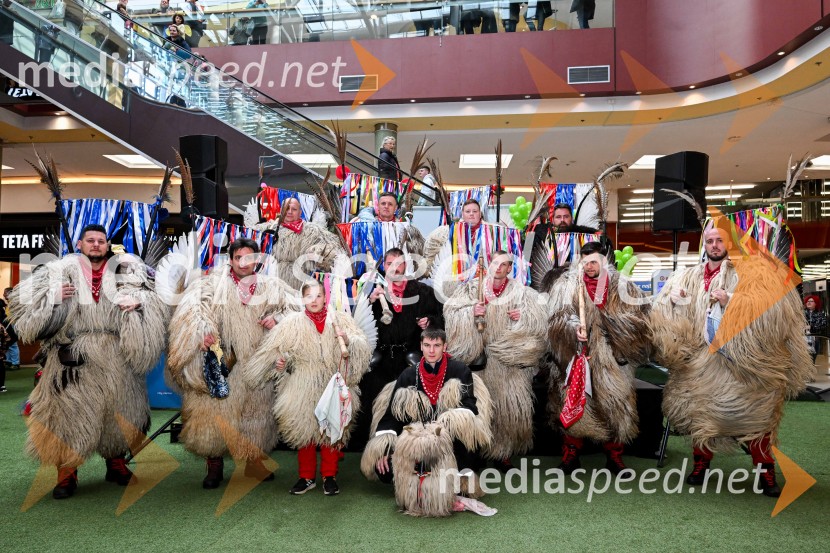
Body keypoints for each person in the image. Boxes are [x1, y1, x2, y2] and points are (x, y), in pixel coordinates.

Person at [651, 224, 813, 497]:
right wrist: (672, 301)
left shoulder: (747, 273)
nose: (714, 245)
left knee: (755, 417)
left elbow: (772, 307)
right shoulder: (687, 277)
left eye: (719, 240)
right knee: (700, 416)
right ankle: (701, 465)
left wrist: (731, 300)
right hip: (700, 363)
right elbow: (660, 309)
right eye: (710, 241)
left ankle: (766, 472)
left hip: (739, 364)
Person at [8, 224, 167, 499]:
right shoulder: (57, 271)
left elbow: (155, 297)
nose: (96, 245)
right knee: (67, 416)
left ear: (108, 246)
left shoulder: (127, 270)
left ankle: (116, 464)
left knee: (120, 412)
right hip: (73, 360)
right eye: (90, 240)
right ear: (80, 244)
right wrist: (52, 298)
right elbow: (22, 305)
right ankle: (66, 474)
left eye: (101, 241)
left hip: (117, 358)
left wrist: (137, 302)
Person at [166, 237, 296, 489]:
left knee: (256, 415)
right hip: (223, 363)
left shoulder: (272, 286)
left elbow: (295, 310)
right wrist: (201, 333)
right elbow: (193, 311)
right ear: (231, 259)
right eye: (238, 258)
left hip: (258, 367)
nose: (243, 263)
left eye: (249, 258)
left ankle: (253, 461)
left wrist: (278, 318)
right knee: (213, 415)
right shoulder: (211, 284)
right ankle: (214, 464)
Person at [243, 281, 370, 495]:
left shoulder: (340, 320)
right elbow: (277, 354)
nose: (314, 300)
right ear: (303, 299)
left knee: (333, 430)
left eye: (318, 296)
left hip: (332, 384)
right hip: (302, 385)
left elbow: (362, 346)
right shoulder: (290, 324)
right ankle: (306, 477)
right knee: (305, 431)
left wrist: (350, 341)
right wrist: (283, 364)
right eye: (309, 296)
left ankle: (329, 476)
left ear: (325, 298)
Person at [546, 241, 651, 475]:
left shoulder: (623, 286)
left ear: (604, 261)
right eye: (585, 262)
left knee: (616, 404)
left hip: (612, 357)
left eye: (594, 261)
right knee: (573, 402)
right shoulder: (567, 285)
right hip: (576, 355)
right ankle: (571, 455)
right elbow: (557, 315)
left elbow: (639, 316)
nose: (589, 266)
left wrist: (614, 324)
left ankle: (614, 457)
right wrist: (573, 327)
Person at [443, 250, 548, 470]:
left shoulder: (523, 294)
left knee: (508, 410)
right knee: (480, 406)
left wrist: (525, 316)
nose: (498, 268)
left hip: (508, 365)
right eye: (495, 264)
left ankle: (503, 454)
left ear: (510, 268)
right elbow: (450, 311)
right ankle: (478, 451)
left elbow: (542, 320)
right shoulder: (473, 288)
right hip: (478, 362)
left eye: (504, 265)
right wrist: (471, 310)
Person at [360, 328, 492, 489]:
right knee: (385, 471)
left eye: (436, 345)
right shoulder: (408, 375)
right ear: (421, 346)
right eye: (427, 345)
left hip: (449, 439)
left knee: (462, 475)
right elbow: (392, 414)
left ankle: (439, 474)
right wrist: (385, 450)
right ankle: (421, 474)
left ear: (444, 347)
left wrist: (443, 425)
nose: (431, 350)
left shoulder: (460, 371)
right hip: (416, 439)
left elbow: (470, 407)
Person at [350, 248, 444, 450]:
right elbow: (354, 324)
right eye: (390, 263)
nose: (395, 267)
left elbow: (440, 320)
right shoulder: (371, 289)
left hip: (410, 361)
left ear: (405, 265)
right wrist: (370, 301)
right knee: (376, 404)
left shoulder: (423, 292)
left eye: (399, 263)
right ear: (384, 267)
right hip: (381, 361)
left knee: (409, 405)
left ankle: (411, 447)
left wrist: (430, 321)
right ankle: (377, 449)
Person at [254, 197, 350, 293]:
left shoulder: (312, 231)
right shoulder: (267, 228)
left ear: (300, 212)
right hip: (270, 286)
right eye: (287, 208)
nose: (289, 212)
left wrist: (319, 253)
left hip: (297, 288)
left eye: (294, 209)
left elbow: (334, 250)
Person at [423, 198, 484, 280]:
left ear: (480, 214)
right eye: (468, 211)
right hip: (454, 278)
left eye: (475, 211)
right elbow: (430, 260)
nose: (471, 214)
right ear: (463, 214)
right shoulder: (446, 233)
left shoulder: (489, 233)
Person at [803, 295, 826, 363]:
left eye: (811, 301)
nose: (809, 302)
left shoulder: (820, 314)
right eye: (808, 301)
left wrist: (812, 327)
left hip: (815, 340)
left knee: (812, 360)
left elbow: (823, 325)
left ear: (816, 303)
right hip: (802, 340)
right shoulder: (801, 313)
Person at [2, 287, 19, 372]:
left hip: (13, 325)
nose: (3, 294)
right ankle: (9, 361)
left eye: (5, 293)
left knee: (13, 344)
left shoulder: (15, 303)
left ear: (10, 293)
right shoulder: (8, 303)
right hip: (8, 325)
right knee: (8, 343)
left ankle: (15, 363)